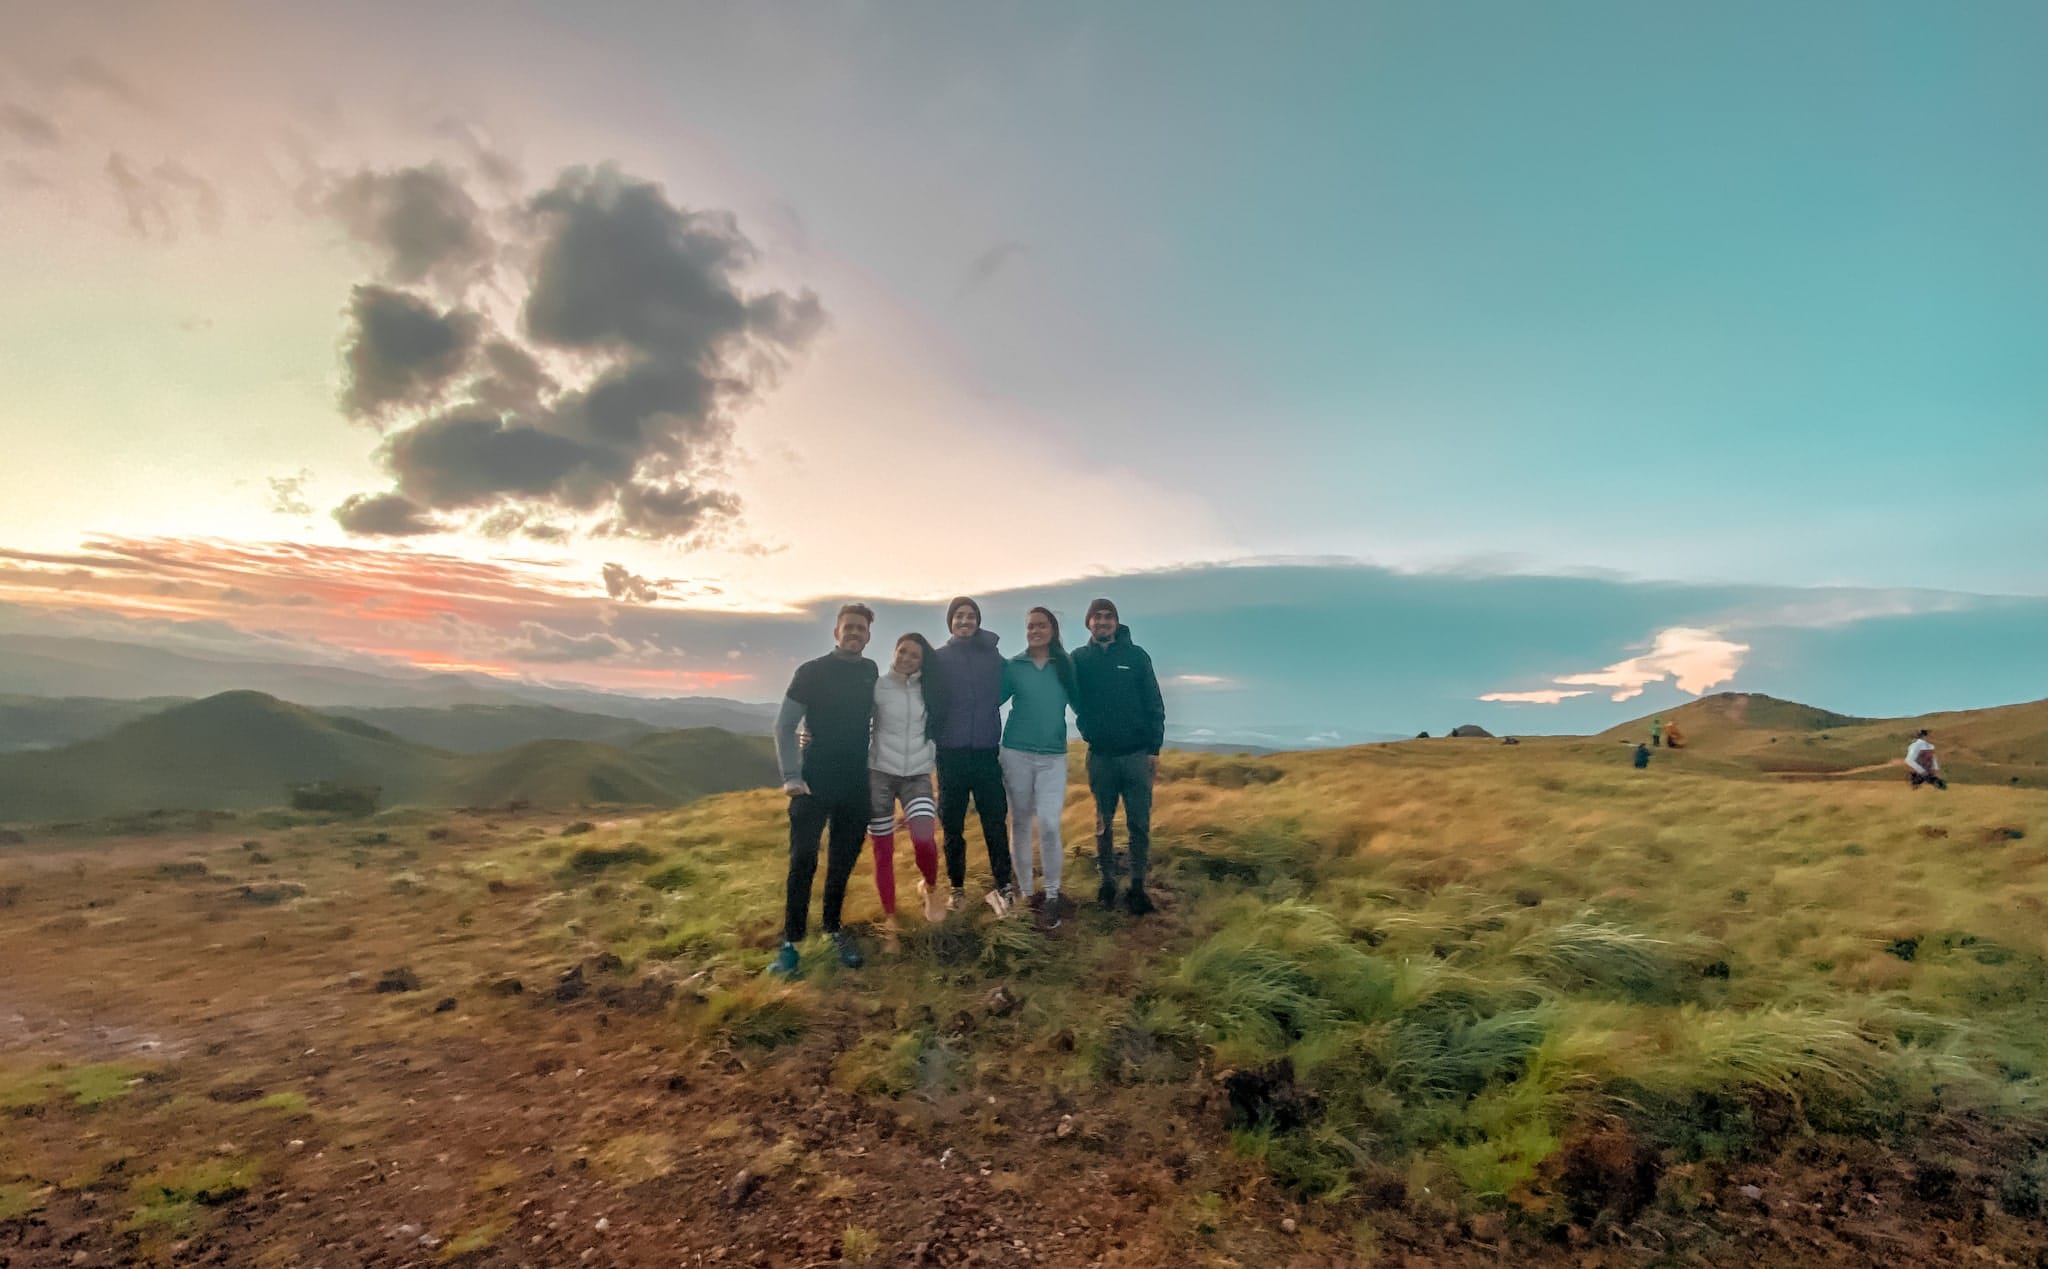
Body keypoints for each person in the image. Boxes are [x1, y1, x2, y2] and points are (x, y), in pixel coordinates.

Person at [770, 604, 879, 978]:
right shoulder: (811, 672)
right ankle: (791, 943)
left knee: (842, 862)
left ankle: (833, 929)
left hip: (855, 782)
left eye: (861, 628)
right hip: (813, 780)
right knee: (802, 859)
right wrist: (791, 776)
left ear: (868, 635)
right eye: (848, 627)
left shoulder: (870, 671)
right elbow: (784, 726)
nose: (854, 633)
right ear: (836, 632)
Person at [1072, 597, 1166, 916]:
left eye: (1107, 617)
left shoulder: (1137, 657)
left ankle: (1137, 887)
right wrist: (1087, 724)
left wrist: (1154, 749)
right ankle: (1107, 883)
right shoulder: (1079, 659)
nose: (1102, 622)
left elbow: (1154, 704)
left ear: (1116, 622)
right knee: (1103, 822)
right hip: (1100, 756)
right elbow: (1069, 694)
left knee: (1139, 823)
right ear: (1088, 623)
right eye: (1096, 617)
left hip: (1137, 755)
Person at [933, 596, 1017, 914]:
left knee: (994, 820)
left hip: (985, 752)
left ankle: (1004, 887)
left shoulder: (994, 658)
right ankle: (957, 889)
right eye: (959, 617)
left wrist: (986, 706)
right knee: (952, 824)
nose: (965, 621)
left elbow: (1008, 685)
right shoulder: (939, 658)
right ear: (950, 623)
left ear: (978, 621)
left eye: (970, 616)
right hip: (950, 753)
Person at [869, 633, 949, 951]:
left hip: (917, 774)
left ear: (922, 661)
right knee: (882, 849)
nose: (905, 658)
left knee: (924, 839)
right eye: (902, 651)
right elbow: (851, 720)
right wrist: (810, 733)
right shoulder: (877, 686)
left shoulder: (929, 690)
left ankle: (929, 887)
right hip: (879, 775)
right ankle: (890, 921)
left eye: (914, 655)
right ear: (894, 651)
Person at [1000, 607, 1077, 929]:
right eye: (1030, 626)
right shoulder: (1014, 666)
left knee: (1048, 823)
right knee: (1019, 822)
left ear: (1053, 629)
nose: (1035, 630)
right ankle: (1029, 895)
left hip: (1053, 757)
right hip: (1015, 752)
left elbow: (1084, 703)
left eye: (1041, 625)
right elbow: (989, 701)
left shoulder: (1065, 667)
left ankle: (1053, 894)